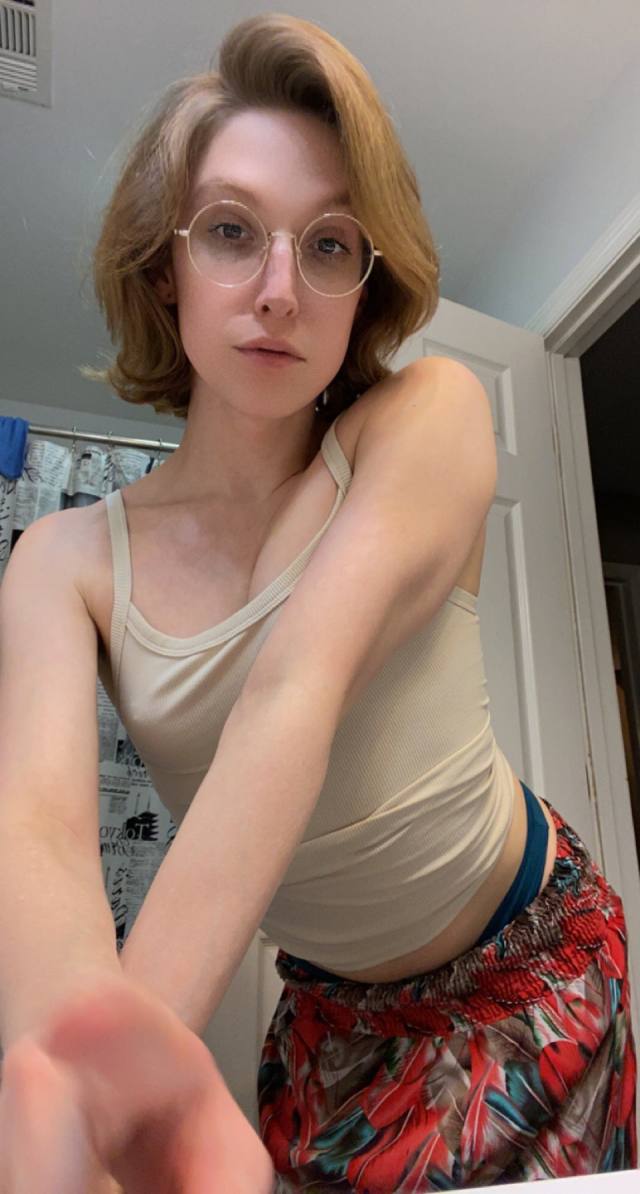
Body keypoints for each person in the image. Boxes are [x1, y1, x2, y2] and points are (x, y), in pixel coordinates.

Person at [0, 11, 636, 1192]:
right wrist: (69, 1095)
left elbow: (293, 688)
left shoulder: (429, 416)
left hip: (529, 963)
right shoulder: (61, 561)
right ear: (163, 266)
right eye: (230, 231)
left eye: (330, 243)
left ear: (362, 283)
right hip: (332, 1023)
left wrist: (123, 1084)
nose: (280, 289)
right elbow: (37, 832)